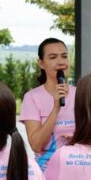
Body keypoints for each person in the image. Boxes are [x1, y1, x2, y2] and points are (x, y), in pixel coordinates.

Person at [21, 38, 76, 170]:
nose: (61, 62)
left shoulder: (82, 94)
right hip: (46, 170)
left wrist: (77, 139)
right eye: (53, 57)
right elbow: (36, 145)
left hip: (77, 167)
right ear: (41, 63)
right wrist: (56, 108)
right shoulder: (32, 97)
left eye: (64, 56)